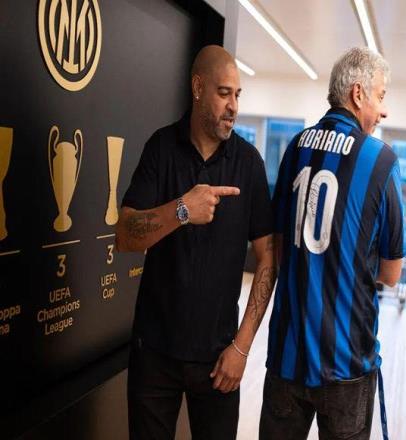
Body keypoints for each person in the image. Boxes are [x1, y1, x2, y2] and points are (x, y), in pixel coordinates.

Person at [116, 45, 276, 440]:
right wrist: (182, 210)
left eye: (238, 95)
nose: (233, 106)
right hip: (154, 353)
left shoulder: (249, 164)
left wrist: (241, 348)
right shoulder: (160, 148)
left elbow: (268, 258)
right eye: (224, 93)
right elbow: (125, 235)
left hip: (219, 359)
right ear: (198, 88)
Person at [260, 47, 406, 440]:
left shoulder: (294, 148)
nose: (384, 110)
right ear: (358, 94)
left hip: (286, 357)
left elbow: (278, 246)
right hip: (347, 364)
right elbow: (391, 274)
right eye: (380, 96)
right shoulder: (382, 161)